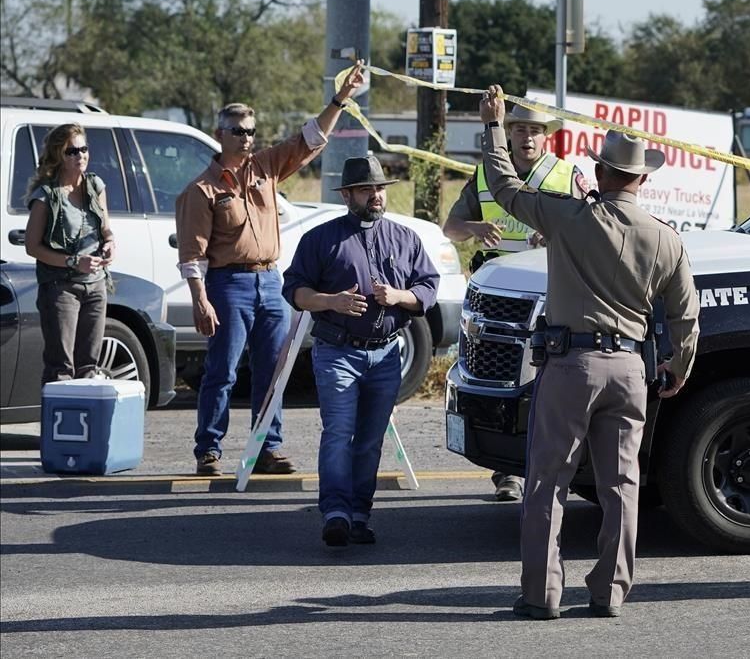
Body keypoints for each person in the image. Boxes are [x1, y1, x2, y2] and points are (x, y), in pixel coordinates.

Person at [478, 85, 700, 620]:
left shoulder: (569, 217)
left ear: (599, 173)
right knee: (622, 485)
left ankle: (541, 595)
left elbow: (505, 188)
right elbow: (686, 316)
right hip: (630, 369)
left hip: (571, 365)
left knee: (547, 481)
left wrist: (492, 126)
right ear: (643, 179)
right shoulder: (667, 239)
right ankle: (609, 592)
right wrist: (678, 367)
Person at [176, 61, 366, 477]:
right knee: (222, 370)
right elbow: (193, 253)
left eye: (251, 132)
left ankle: (266, 447)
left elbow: (309, 138)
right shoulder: (202, 190)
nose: (246, 139)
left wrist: (341, 98)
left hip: (270, 279)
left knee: (274, 370)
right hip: (228, 283)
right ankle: (208, 449)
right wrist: (200, 300)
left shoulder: (265, 167)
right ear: (220, 134)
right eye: (238, 131)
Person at [282, 155, 439, 547]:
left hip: (386, 355)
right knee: (339, 433)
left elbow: (428, 290)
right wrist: (330, 301)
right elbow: (294, 290)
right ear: (348, 194)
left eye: (381, 188)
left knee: (370, 439)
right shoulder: (320, 239)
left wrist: (400, 296)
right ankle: (334, 512)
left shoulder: (405, 239)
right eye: (367, 189)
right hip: (337, 353)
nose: (376, 195)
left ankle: (358, 514)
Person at [442, 103, 587, 503]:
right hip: (499, 301)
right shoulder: (487, 174)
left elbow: (591, 229)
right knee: (505, 387)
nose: (526, 137)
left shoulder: (566, 176)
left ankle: (558, 469)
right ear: (508, 133)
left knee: (552, 386)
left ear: (548, 136)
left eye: (534, 130)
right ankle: (508, 472)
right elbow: (450, 229)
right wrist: (474, 227)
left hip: (551, 293)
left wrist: (556, 236)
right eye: (519, 128)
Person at [23, 123, 115, 384]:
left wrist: (110, 245)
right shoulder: (46, 197)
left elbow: (106, 230)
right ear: (58, 156)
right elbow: (33, 247)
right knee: (60, 368)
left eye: (83, 149)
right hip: (60, 287)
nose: (80, 156)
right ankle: (58, 424)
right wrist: (74, 261)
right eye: (71, 151)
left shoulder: (95, 185)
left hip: (96, 285)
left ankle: (86, 425)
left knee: (89, 366)